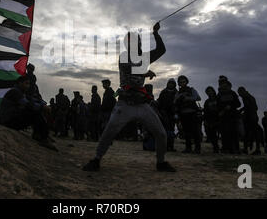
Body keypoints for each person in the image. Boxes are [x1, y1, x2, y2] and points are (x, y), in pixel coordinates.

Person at [83, 22, 176, 172]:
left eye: (134, 41)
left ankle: (161, 162)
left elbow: (161, 50)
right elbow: (130, 69)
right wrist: (145, 73)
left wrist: (156, 33)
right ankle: (96, 159)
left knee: (161, 133)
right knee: (109, 132)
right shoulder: (124, 57)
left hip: (142, 104)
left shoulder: (145, 57)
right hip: (125, 104)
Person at [0, 76, 57, 151]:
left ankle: (39, 134)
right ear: (20, 83)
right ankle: (44, 138)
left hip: (13, 119)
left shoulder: (21, 92)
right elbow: (28, 104)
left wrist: (43, 104)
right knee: (34, 111)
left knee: (36, 109)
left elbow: (33, 99)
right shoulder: (14, 92)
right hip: (9, 121)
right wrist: (42, 107)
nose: (28, 86)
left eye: (29, 84)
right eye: (26, 83)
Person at [174, 75, 202, 153]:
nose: (182, 83)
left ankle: (197, 148)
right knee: (186, 132)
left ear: (186, 82)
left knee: (195, 131)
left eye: (183, 81)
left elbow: (198, 98)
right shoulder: (178, 92)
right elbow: (175, 102)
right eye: (180, 82)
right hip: (183, 114)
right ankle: (188, 148)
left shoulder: (191, 89)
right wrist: (179, 97)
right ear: (179, 83)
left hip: (192, 113)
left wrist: (188, 98)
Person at [217, 79, 241, 154]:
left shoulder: (233, 93)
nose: (224, 87)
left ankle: (235, 149)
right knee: (224, 133)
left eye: (225, 85)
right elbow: (218, 105)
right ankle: (225, 148)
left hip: (232, 116)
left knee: (233, 133)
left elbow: (238, 104)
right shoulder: (219, 95)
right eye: (222, 85)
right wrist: (221, 110)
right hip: (223, 117)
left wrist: (230, 106)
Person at [238, 87, 261, 155]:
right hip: (251, 117)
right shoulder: (248, 97)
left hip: (251, 118)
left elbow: (252, 107)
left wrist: (242, 111)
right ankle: (250, 149)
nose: (240, 95)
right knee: (249, 134)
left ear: (243, 91)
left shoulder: (247, 97)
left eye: (240, 93)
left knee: (252, 134)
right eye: (239, 94)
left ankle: (256, 149)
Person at [157, 78, 178, 151]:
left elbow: (178, 104)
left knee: (171, 130)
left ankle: (171, 146)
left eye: (172, 83)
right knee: (164, 130)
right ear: (167, 84)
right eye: (170, 83)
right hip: (163, 113)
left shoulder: (176, 93)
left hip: (172, 114)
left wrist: (176, 113)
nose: (171, 84)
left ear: (174, 85)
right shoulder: (163, 92)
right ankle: (164, 146)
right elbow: (159, 101)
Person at [203, 86, 220, 153]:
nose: (209, 92)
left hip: (218, 118)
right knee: (211, 134)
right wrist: (205, 120)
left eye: (210, 91)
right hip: (210, 120)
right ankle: (215, 147)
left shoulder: (218, 99)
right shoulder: (207, 101)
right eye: (208, 92)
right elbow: (205, 111)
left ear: (213, 91)